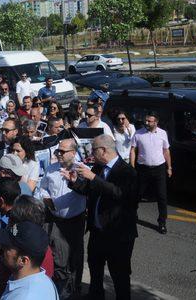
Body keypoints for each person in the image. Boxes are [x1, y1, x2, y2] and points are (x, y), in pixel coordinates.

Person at [62, 134, 138, 300]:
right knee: (96, 271)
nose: (91, 153)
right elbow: (90, 189)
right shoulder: (98, 168)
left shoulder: (126, 171)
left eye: (93, 150)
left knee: (119, 276)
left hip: (118, 235)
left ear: (103, 151)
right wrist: (74, 182)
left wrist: (94, 178)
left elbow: (120, 194)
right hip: (98, 231)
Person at [38, 138, 87, 295]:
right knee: (59, 256)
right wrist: (46, 199)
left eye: (62, 151)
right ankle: (61, 288)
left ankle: (75, 286)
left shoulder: (81, 170)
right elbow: (43, 187)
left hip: (75, 221)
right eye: (57, 150)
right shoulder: (51, 168)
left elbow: (87, 191)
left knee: (75, 255)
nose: (58, 153)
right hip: (56, 220)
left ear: (73, 153)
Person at [0, 221, 58, 300]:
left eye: (7, 247)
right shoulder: (46, 281)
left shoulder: (23, 297)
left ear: (23, 260)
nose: (1, 247)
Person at [129, 111, 171, 234]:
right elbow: (133, 150)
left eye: (149, 121)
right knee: (138, 193)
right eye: (145, 121)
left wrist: (169, 167)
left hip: (159, 169)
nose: (146, 123)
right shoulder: (138, 133)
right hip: (143, 169)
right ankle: (132, 213)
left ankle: (162, 222)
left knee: (162, 196)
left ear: (156, 122)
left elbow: (166, 151)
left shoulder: (163, 133)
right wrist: (132, 167)